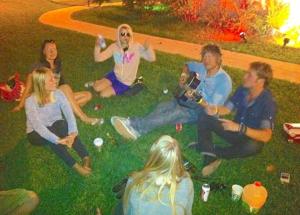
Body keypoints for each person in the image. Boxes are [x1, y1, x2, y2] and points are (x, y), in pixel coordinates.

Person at [111, 44, 232, 140]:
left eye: (210, 56)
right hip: (185, 98)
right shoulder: (201, 67)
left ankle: (137, 129)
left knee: (173, 114)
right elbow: (187, 65)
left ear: (218, 58)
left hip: (200, 110)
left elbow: (211, 108)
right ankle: (132, 122)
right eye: (204, 56)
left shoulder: (224, 81)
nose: (206, 60)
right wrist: (184, 75)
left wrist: (196, 97)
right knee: (162, 107)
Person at [191, 62, 276, 177]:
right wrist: (215, 110)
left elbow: (266, 136)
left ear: (260, 81)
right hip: (232, 129)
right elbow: (227, 108)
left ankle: (212, 151)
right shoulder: (243, 89)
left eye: (249, 75)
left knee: (255, 146)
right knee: (204, 115)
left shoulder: (268, 102)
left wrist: (240, 128)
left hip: (248, 138)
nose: (244, 76)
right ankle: (208, 150)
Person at [12, 39, 100, 125]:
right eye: (49, 49)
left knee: (88, 95)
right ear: (43, 52)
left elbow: (59, 85)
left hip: (56, 97)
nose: (52, 51)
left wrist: (66, 95)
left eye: (54, 49)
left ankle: (61, 112)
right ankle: (84, 117)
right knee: (65, 88)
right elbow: (28, 87)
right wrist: (20, 106)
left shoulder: (57, 64)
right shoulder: (37, 66)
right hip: (44, 99)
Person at [25, 67, 92, 176]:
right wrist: (57, 140)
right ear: (41, 84)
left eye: (53, 77)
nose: (55, 80)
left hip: (55, 123)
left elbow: (69, 114)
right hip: (35, 133)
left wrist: (73, 133)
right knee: (52, 135)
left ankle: (85, 156)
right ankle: (76, 166)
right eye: (50, 79)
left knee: (63, 125)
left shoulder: (58, 93)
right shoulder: (30, 102)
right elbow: (38, 127)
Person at [114, 135, 194, 215]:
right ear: (177, 160)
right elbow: (187, 212)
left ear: (153, 156)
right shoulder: (186, 182)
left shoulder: (135, 183)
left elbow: (127, 211)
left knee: (121, 205)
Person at [92, 24, 156, 97]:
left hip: (125, 82)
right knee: (96, 88)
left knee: (103, 95)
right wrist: (97, 46)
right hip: (114, 75)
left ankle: (137, 83)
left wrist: (148, 48)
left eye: (128, 34)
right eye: (122, 34)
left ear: (131, 35)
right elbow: (98, 59)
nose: (125, 36)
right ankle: (100, 83)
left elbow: (152, 58)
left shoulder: (136, 47)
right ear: (118, 35)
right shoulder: (114, 47)